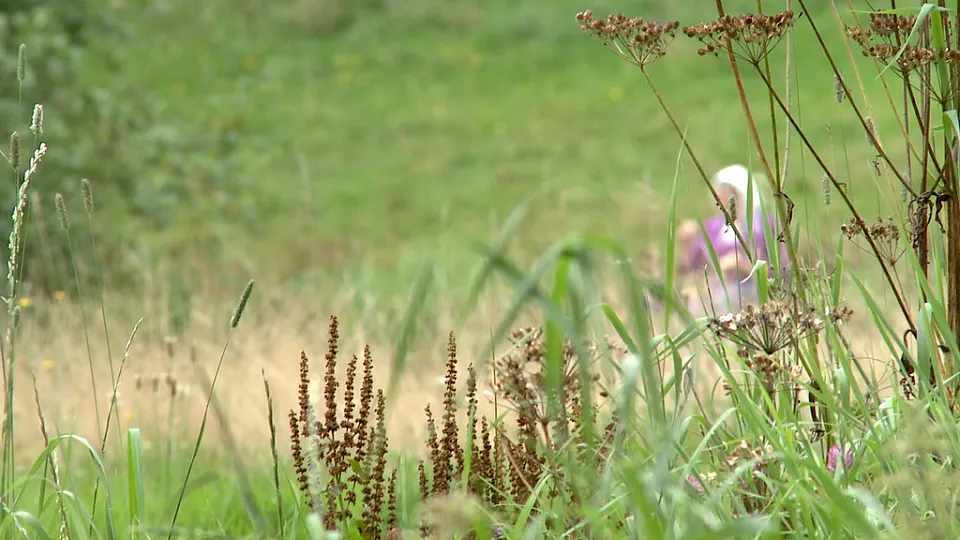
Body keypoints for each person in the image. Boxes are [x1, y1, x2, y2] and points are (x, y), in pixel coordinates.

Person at [676, 164, 789, 316]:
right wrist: (687, 243)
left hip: (756, 293)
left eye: (730, 197)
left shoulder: (765, 225)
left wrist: (746, 266)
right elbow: (693, 268)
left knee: (729, 297)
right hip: (718, 292)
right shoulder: (713, 228)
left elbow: (783, 270)